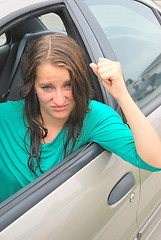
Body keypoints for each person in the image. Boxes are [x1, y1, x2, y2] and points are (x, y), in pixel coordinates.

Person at [0, 33, 161, 203]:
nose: (60, 99)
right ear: (32, 85)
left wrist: (121, 94)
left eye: (68, 85)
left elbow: (154, 161)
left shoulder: (93, 116)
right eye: (47, 87)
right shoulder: (5, 117)